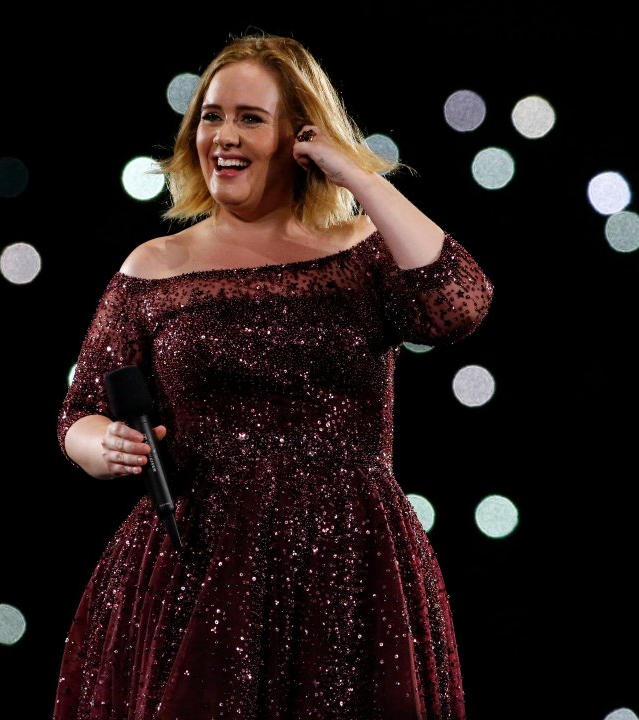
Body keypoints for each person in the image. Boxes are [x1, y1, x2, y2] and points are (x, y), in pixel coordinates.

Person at [54, 31, 493, 720]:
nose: (223, 135)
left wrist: (356, 175)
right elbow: (76, 413)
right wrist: (102, 444)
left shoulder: (361, 253)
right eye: (211, 115)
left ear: (300, 135)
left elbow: (458, 304)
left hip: (350, 564)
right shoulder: (154, 266)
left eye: (250, 118)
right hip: (195, 565)